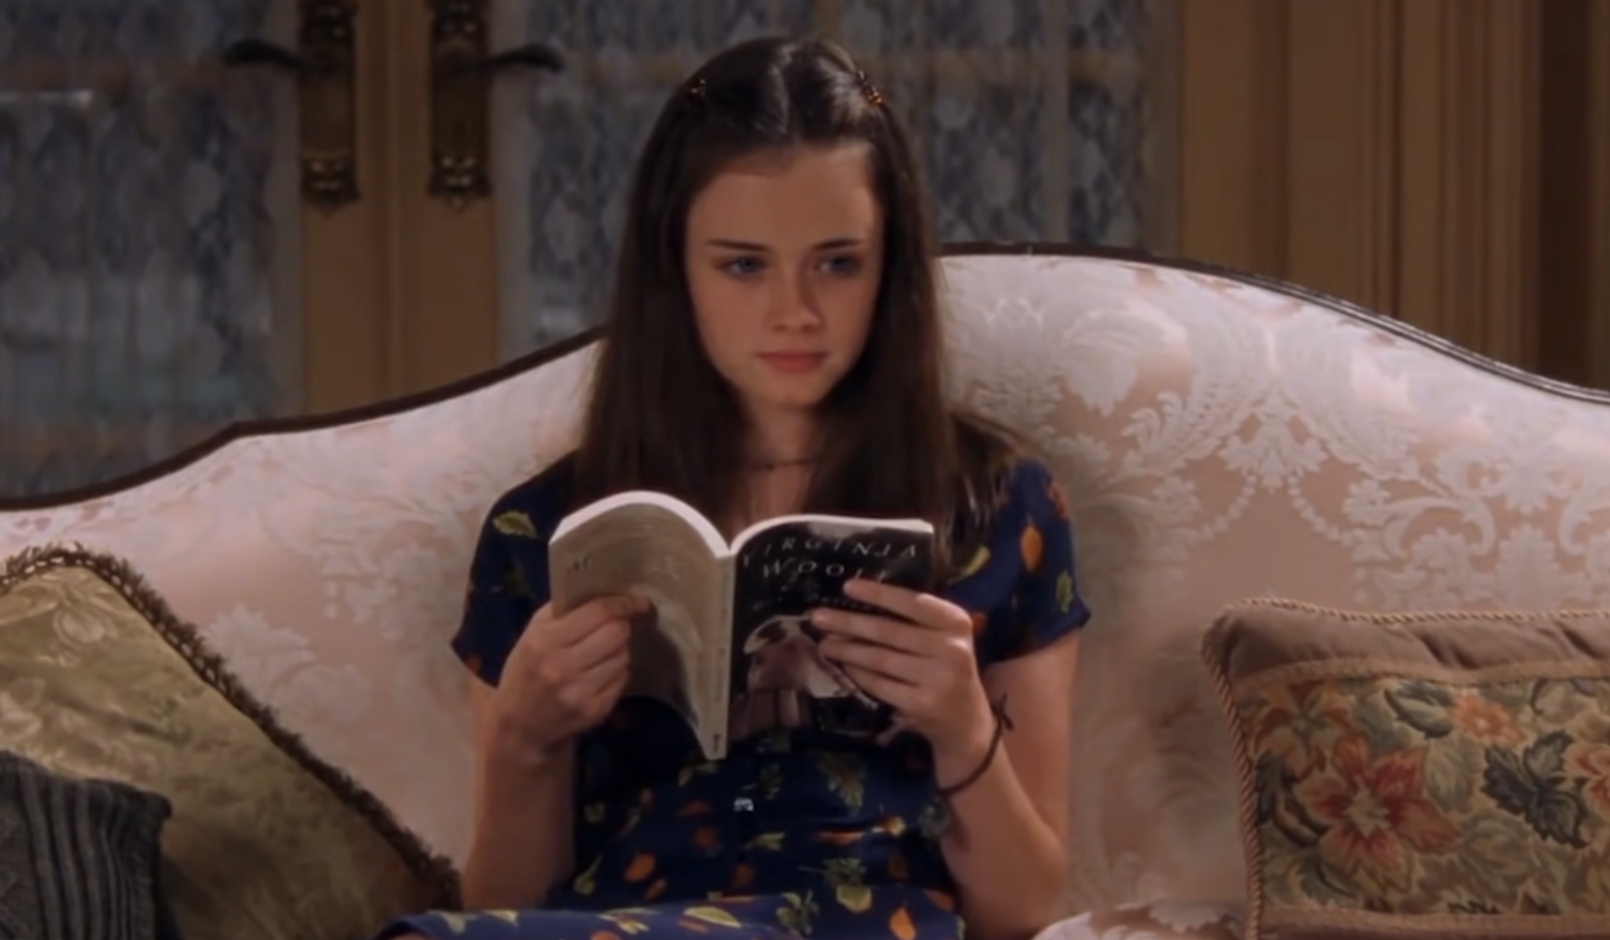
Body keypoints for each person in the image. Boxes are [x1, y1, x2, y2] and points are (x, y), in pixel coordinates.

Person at [377, 35, 1091, 940]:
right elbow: (504, 908)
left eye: (837, 262)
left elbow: (1023, 913)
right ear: (674, 272)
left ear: (891, 268)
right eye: (743, 265)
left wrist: (962, 733)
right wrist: (526, 739)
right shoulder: (548, 531)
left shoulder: (1000, 506)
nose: (794, 310)